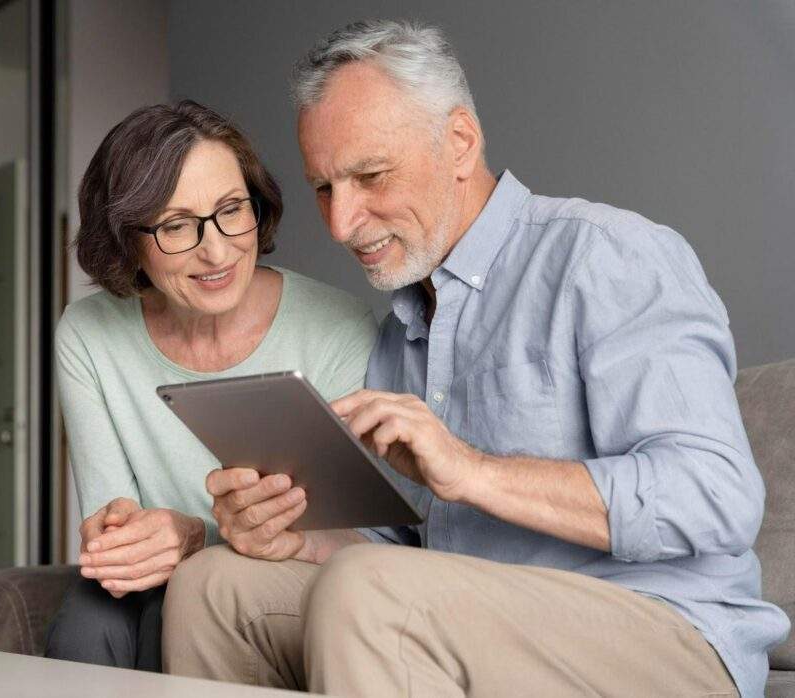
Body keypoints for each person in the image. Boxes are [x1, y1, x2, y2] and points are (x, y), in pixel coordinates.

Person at [160, 20, 790, 697]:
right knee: (215, 585)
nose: (342, 224)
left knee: (373, 594)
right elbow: (403, 555)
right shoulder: (403, 331)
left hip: (670, 637)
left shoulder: (607, 256)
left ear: (459, 142)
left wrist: (472, 470)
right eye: (324, 187)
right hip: (484, 620)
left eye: (370, 176)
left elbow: (715, 497)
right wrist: (297, 539)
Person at [44, 100, 377, 671]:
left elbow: (360, 538)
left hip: (283, 576)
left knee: (178, 604)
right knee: (92, 607)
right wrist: (118, 532)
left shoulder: (338, 328)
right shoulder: (88, 332)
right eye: (176, 225)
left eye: (230, 210)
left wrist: (198, 538)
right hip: (151, 585)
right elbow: (112, 521)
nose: (217, 250)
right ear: (128, 240)